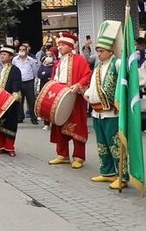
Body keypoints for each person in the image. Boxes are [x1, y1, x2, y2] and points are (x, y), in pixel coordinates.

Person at [83, 20, 128, 189]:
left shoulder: (116, 63)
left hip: (111, 113)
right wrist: (87, 94)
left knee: (116, 145)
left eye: (102, 51)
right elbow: (93, 87)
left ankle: (122, 176)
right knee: (102, 144)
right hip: (97, 112)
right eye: (98, 51)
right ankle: (107, 172)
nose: (99, 54)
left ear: (110, 51)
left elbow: (124, 82)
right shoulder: (98, 67)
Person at [48, 32, 92, 169]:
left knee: (76, 126)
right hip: (60, 98)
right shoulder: (58, 62)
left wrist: (78, 85)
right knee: (59, 124)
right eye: (59, 45)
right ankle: (62, 154)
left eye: (62, 45)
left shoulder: (80, 60)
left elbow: (87, 75)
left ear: (70, 46)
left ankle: (79, 157)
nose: (59, 47)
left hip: (75, 99)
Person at [13, 43, 40, 125]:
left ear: (26, 51)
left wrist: (35, 81)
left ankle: (33, 118)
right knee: (19, 100)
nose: (21, 51)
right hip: (19, 82)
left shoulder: (31, 60)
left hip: (29, 82)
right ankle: (20, 117)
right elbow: (13, 69)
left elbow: (35, 71)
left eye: (23, 50)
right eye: (20, 50)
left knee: (31, 100)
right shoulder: (15, 60)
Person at [37, 48, 57, 130]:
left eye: (50, 56)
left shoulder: (55, 65)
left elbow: (53, 74)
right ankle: (46, 123)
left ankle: (54, 122)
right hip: (43, 85)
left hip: (52, 86)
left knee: (53, 104)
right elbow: (39, 74)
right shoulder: (43, 65)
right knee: (45, 104)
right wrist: (45, 75)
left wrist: (46, 74)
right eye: (47, 56)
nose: (48, 57)